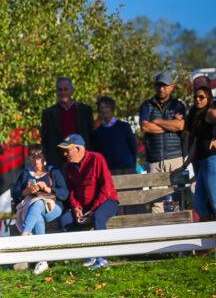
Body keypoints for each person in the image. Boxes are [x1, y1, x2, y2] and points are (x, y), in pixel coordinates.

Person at [57, 135, 119, 268]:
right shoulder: (68, 167)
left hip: (106, 202)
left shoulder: (97, 158)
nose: (65, 153)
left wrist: (92, 210)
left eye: (67, 150)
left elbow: (106, 189)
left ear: (78, 149)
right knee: (64, 220)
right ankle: (87, 255)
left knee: (98, 217)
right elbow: (71, 190)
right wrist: (76, 207)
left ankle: (102, 259)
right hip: (84, 207)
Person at [10, 147, 69, 275]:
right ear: (29, 159)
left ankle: (24, 236)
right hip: (33, 210)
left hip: (54, 208)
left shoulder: (53, 172)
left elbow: (64, 194)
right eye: (33, 157)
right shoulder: (26, 174)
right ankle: (42, 261)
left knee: (37, 204)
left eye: (39, 157)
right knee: (37, 217)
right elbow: (15, 193)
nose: (37, 161)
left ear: (44, 158)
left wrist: (47, 189)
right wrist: (27, 191)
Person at [139, 71, 187, 214]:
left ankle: (181, 235)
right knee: (157, 203)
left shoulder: (178, 105)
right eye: (159, 85)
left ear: (172, 87)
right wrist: (170, 126)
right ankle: (158, 234)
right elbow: (145, 127)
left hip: (175, 158)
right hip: (154, 159)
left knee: (179, 199)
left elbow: (181, 126)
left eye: (165, 86)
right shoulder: (146, 105)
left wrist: (158, 122)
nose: (161, 89)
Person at [40, 77, 94, 169]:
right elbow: (45, 140)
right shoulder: (48, 113)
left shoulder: (85, 110)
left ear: (72, 91)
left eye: (66, 89)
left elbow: (91, 136)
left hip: (82, 160)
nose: (63, 93)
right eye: (60, 90)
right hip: (58, 162)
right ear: (56, 91)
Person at [185, 81, 216, 221]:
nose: (198, 99)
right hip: (201, 162)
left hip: (212, 161)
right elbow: (196, 144)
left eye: (201, 97)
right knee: (199, 203)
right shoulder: (197, 116)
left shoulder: (210, 112)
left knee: (215, 200)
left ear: (208, 98)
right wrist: (185, 164)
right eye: (196, 97)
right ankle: (210, 235)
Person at [91, 96, 138, 175]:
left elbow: (134, 147)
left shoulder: (124, 126)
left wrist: (132, 165)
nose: (104, 110)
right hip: (108, 171)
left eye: (107, 107)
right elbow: (98, 152)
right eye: (101, 107)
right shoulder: (98, 132)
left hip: (127, 169)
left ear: (112, 109)